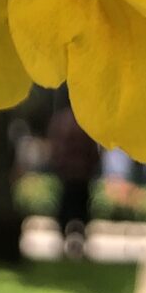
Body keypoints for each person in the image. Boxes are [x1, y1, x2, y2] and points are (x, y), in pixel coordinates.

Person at [47, 101, 102, 256]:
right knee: (80, 207)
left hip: (69, 173)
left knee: (67, 206)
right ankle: (78, 237)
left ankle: (67, 238)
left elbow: (55, 147)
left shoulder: (62, 120)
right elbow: (93, 149)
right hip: (82, 173)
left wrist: (58, 164)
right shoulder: (84, 119)